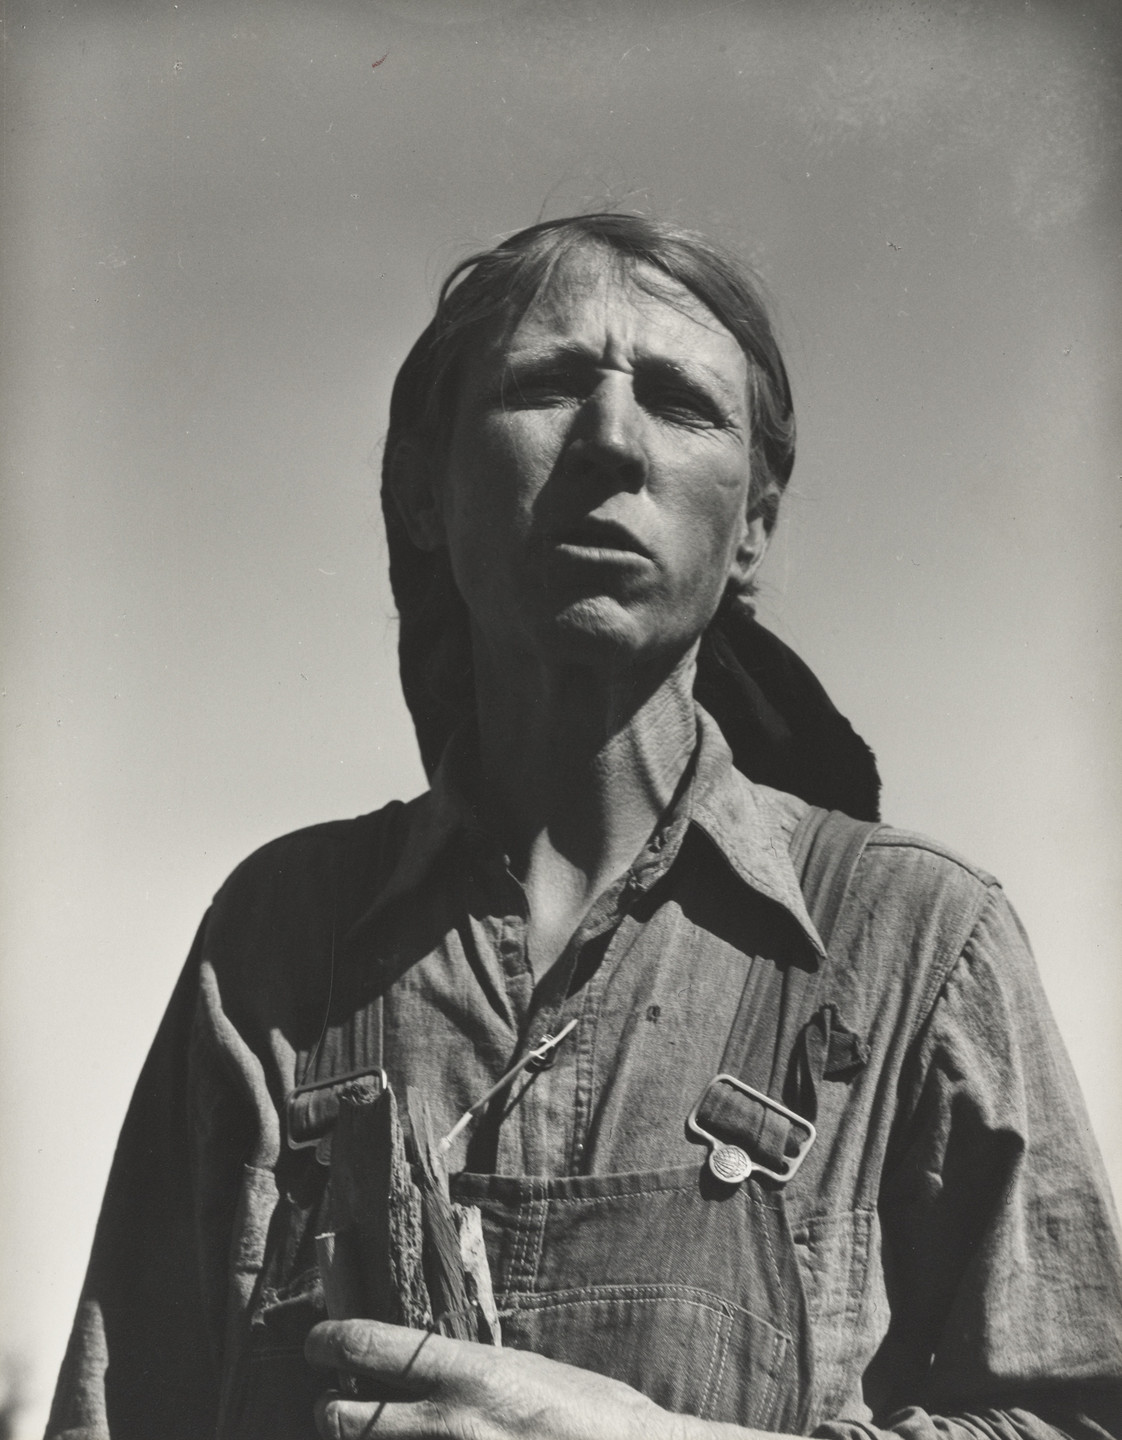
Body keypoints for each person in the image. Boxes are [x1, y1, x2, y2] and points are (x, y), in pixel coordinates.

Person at [48, 213, 1122, 1440]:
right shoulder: (278, 937)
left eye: (681, 403)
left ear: (754, 524)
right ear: (420, 494)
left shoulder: (920, 941)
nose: (611, 441)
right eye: (548, 384)